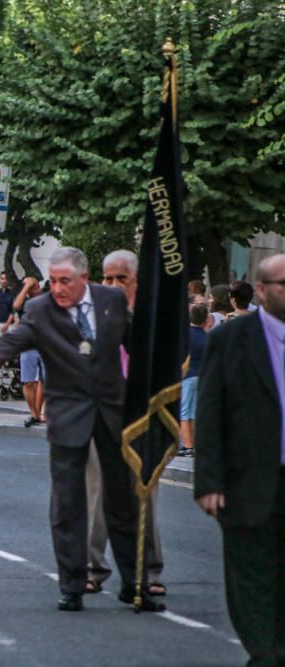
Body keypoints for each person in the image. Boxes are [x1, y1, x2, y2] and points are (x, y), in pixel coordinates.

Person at [0, 247, 164, 612]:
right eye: (54, 280)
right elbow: (15, 340)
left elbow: (136, 343)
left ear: (84, 278)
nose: (58, 288)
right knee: (68, 504)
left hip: (113, 413)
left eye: (66, 282)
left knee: (123, 501)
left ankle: (134, 584)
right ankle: (72, 585)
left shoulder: (110, 300)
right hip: (67, 417)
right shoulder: (41, 309)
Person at [195, 253, 285, 664]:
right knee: (251, 576)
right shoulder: (231, 338)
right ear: (262, 291)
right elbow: (211, 411)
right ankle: (264, 652)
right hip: (249, 480)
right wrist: (208, 482)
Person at [86, 249, 164, 597]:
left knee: (144, 492)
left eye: (122, 279)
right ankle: (91, 567)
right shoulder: (93, 315)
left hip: (142, 416)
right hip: (101, 414)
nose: (113, 285)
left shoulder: (152, 317)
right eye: (108, 278)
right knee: (98, 491)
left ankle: (148, 570)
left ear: (137, 281)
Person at [8, 276, 45, 427]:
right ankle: (33, 413)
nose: (30, 287)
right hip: (28, 345)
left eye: (32, 284)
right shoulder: (23, 301)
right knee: (28, 380)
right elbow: (16, 306)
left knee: (45, 380)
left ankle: (40, 411)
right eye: (27, 285)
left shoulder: (45, 297)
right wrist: (25, 288)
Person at [177, 303, 208, 457]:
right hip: (201, 375)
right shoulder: (207, 336)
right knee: (194, 411)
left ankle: (188, 446)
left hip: (187, 375)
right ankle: (194, 443)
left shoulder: (185, 335)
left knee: (184, 412)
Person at [0, 272, 14, 341]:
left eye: (6, 279)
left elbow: (13, 311)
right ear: (0, 280)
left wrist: (7, 324)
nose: (4, 281)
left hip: (9, 325)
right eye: (2, 278)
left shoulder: (12, 294)